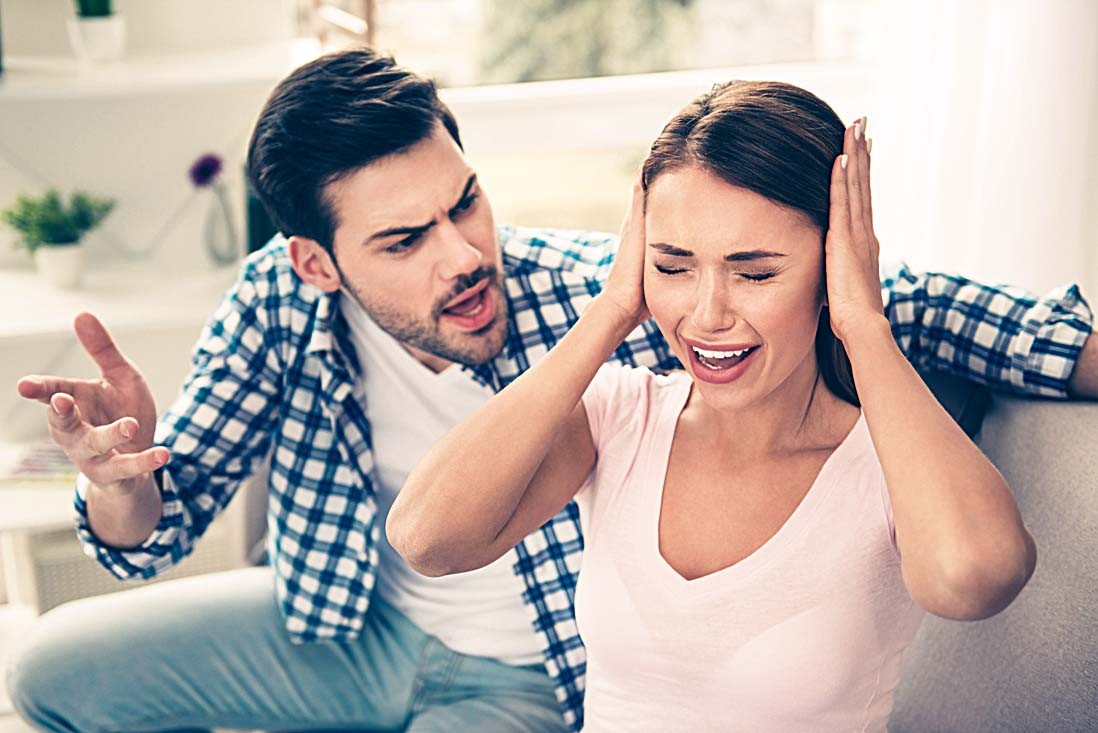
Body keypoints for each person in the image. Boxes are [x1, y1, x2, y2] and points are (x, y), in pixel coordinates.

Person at [6, 48, 1094, 733]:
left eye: (465, 203)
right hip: (345, 626)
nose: (462, 254)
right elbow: (174, 530)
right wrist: (117, 480)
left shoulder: (591, 285)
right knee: (49, 669)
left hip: (525, 675)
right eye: (404, 240)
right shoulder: (280, 308)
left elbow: (930, 310)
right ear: (316, 263)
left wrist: (855, 311)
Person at [387, 81, 1042, 731]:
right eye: (673, 267)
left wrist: (862, 322)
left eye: (755, 273)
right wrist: (613, 309)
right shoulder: (621, 415)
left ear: (831, 266)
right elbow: (429, 539)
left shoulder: (886, 462)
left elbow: (972, 576)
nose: (706, 316)